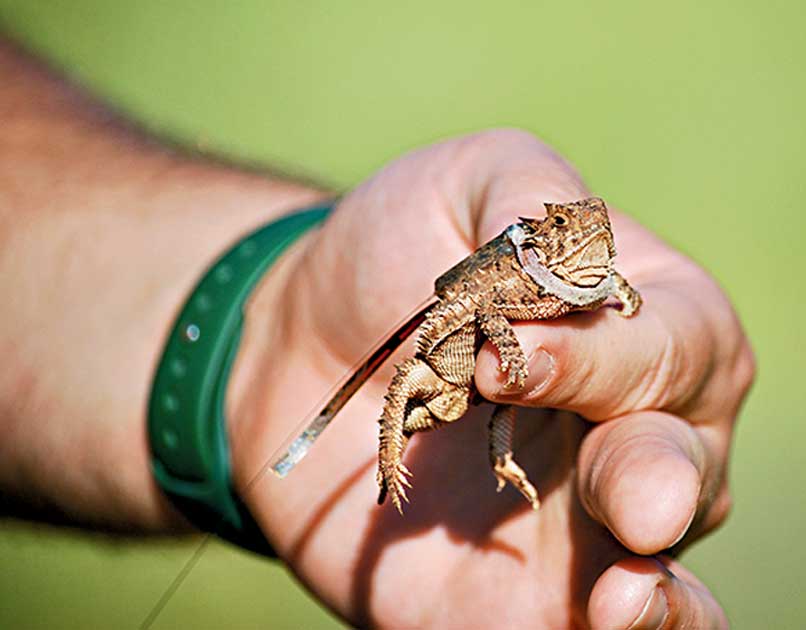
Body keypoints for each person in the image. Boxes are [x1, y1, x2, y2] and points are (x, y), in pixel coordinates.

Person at [0, 38, 754, 629]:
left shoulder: (584, 274)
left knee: (513, 410)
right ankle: (389, 465)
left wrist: (619, 292)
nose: (585, 236)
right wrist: (274, 344)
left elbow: (603, 294)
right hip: (447, 355)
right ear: (546, 235)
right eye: (568, 224)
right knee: (408, 392)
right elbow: (482, 314)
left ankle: (507, 468)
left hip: (493, 401)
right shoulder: (520, 271)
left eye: (595, 230)